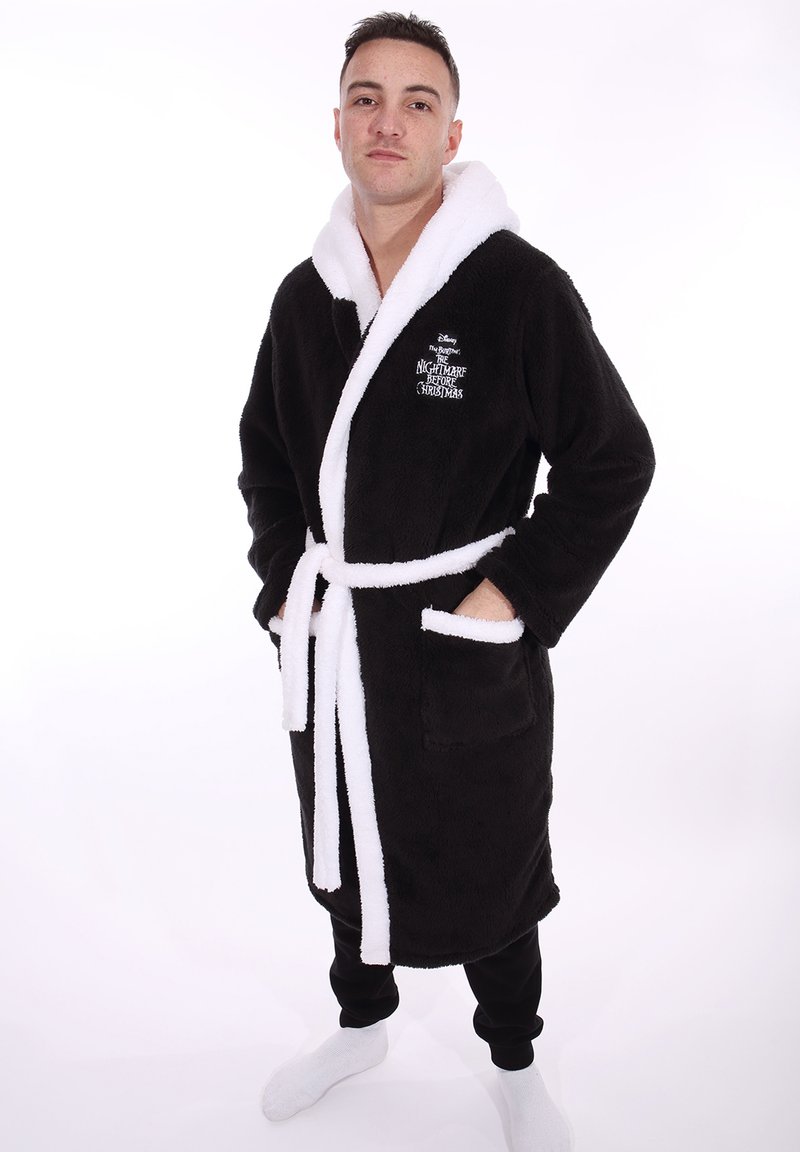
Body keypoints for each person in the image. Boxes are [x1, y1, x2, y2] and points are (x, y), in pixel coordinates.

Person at [237, 12, 655, 1150]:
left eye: (417, 102)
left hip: (458, 639)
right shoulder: (303, 297)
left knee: (488, 856)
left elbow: (614, 459)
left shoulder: (515, 287)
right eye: (366, 98)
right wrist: (285, 585)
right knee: (344, 838)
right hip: (335, 639)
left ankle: (514, 1059)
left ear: (451, 132)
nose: (389, 121)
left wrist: (511, 597)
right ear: (336, 125)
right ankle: (359, 1024)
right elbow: (265, 458)